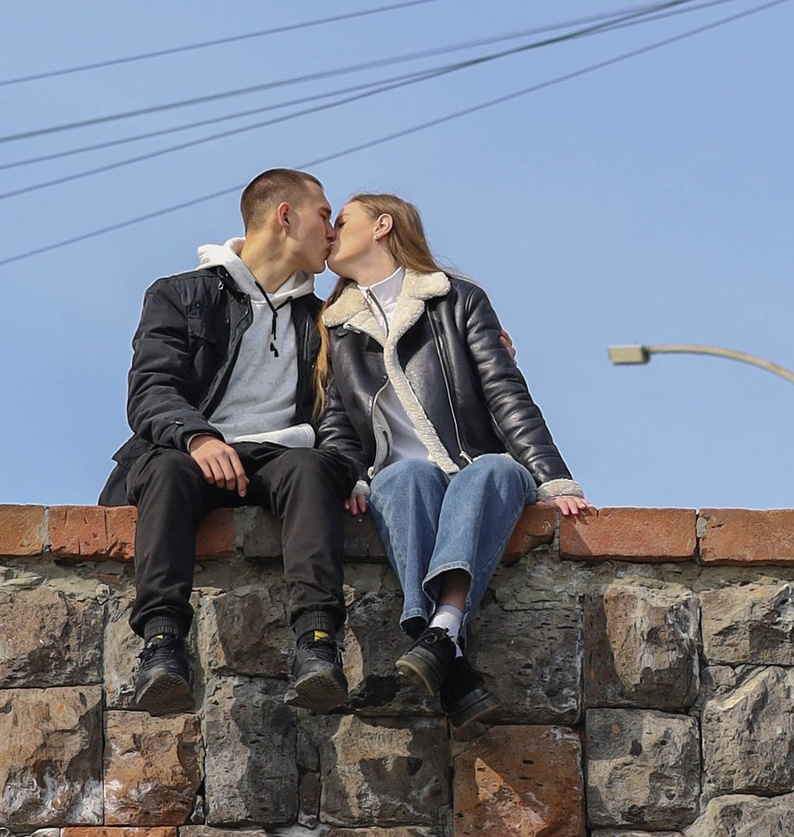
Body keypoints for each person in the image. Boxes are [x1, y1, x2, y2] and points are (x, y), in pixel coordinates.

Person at [317, 192, 588, 718]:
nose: (331, 231)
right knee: (405, 476)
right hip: (399, 478)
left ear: (382, 226)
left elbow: (506, 393)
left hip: (474, 468)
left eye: (342, 220)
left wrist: (554, 481)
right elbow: (336, 421)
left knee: (493, 468)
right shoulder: (335, 326)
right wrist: (346, 476)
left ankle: (440, 633)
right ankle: (447, 647)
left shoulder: (456, 299)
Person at [102, 169, 350, 715]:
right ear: (285, 216)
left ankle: (317, 646)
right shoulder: (179, 294)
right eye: (325, 215)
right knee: (165, 472)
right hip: (187, 451)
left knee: (312, 469)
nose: (332, 232)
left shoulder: (326, 319)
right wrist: (197, 437)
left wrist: (351, 472)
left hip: (280, 459)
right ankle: (163, 647)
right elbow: (152, 391)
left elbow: (341, 411)